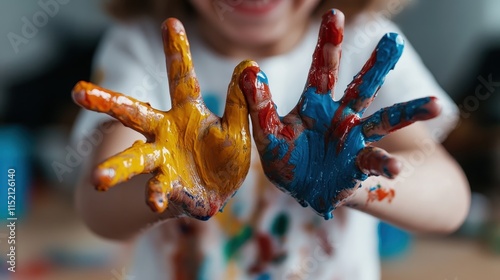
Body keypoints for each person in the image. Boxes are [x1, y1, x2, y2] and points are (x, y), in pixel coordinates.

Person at [71, 0, 470, 279]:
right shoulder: (146, 46)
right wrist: (174, 192)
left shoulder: (361, 43)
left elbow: (450, 200)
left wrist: (355, 186)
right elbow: (98, 207)